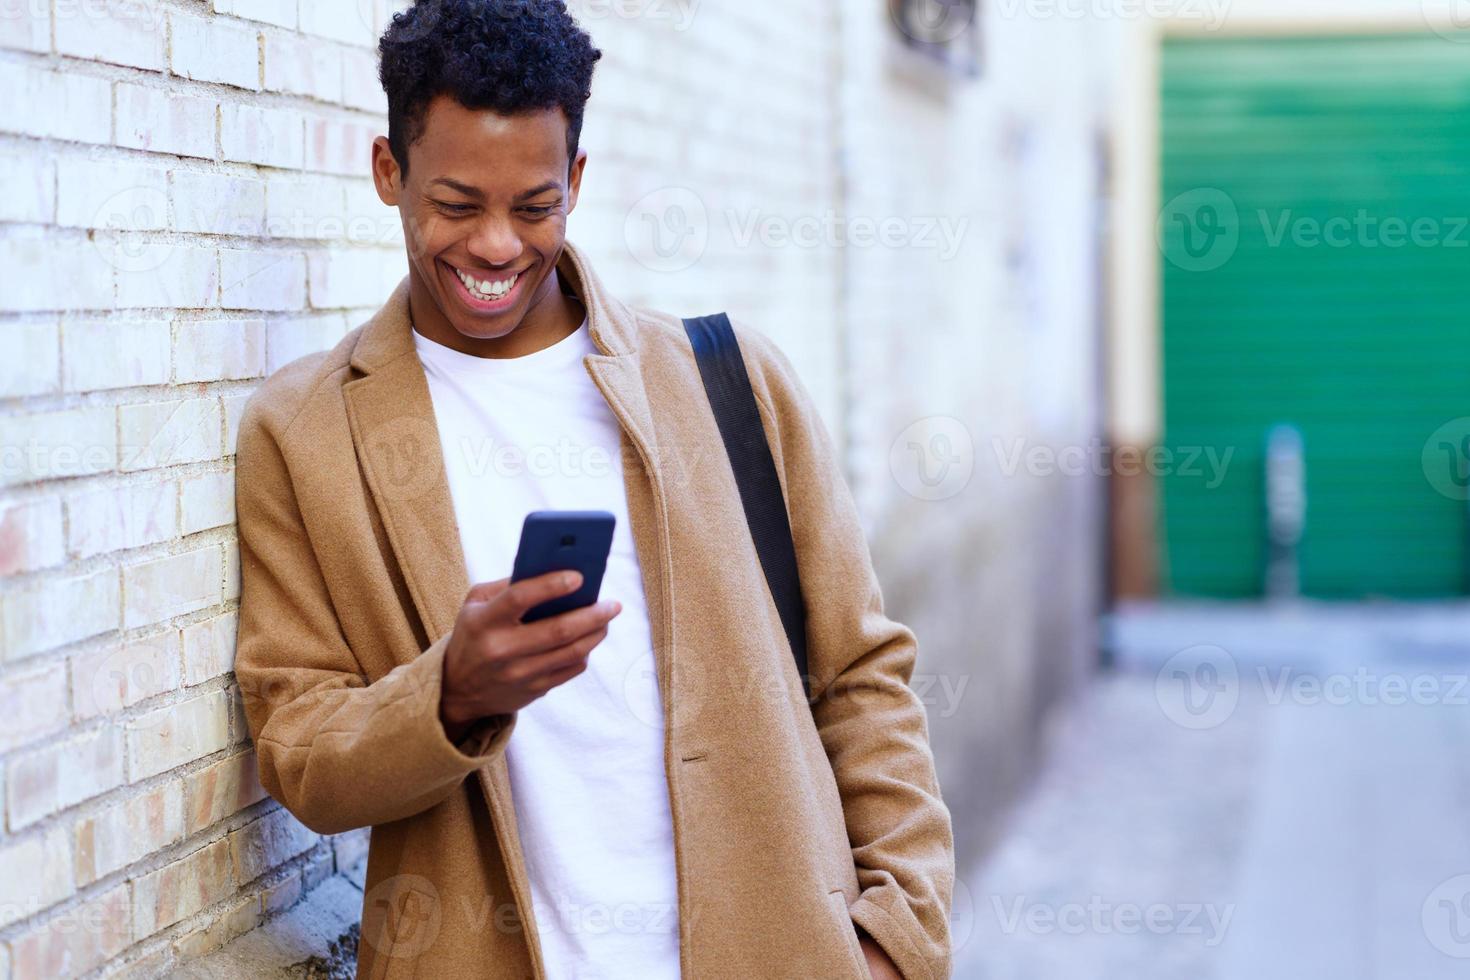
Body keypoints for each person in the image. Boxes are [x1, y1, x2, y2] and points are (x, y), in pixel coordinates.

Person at [233, 1, 955, 977]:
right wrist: (449, 694)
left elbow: (862, 674)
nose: (496, 245)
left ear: (575, 179)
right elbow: (302, 750)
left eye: (534, 205)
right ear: (388, 173)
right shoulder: (306, 433)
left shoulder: (728, 380)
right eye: (455, 204)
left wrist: (896, 937)